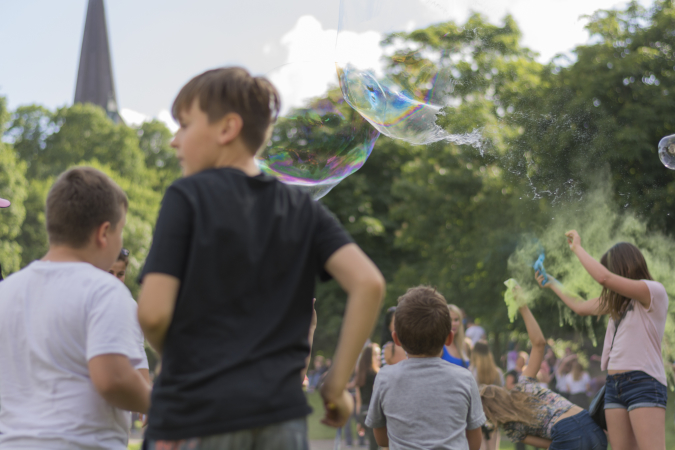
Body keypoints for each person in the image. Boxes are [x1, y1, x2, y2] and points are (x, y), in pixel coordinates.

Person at [136, 67, 386, 449]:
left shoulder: (187, 196)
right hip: (281, 419)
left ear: (227, 129)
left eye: (184, 126)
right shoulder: (301, 209)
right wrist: (335, 385)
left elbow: (153, 314)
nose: (174, 141)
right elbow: (368, 283)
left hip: (198, 414)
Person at [0, 167, 151, 449]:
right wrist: (162, 403)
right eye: (121, 230)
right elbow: (113, 380)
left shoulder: (6, 291)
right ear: (104, 233)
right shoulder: (104, 290)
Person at [536, 231, 668, 450]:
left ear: (625, 268)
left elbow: (603, 277)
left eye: (611, 268)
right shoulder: (618, 302)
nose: (608, 280)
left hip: (644, 383)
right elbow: (579, 306)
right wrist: (552, 282)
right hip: (614, 386)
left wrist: (577, 247)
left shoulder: (653, 292)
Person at [366, 286, 484, 449]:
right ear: (449, 338)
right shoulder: (465, 378)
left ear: (397, 339)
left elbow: (381, 439)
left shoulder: (385, 377)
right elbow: (475, 442)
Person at [480, 298, 607, 450]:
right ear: (500, 392)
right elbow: (539, 343)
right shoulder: (523, 386)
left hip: (566, 434)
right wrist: (523, 306)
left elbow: (549, 444)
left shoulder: (511, 428)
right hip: (592, 427)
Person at [470, 341, 504, 450]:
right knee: (493, 446)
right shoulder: (497, 372)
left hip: (477, 413)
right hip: (493, 413)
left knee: (481, 444)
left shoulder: (472, 371)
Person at [355, 344, 381, 450]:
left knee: (372, 444)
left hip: (363, 412)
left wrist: (359, 420)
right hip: (374, 411)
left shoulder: (361, 374)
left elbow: (359, 400)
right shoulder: (375, 374)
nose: (379, 357)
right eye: (376, 354)